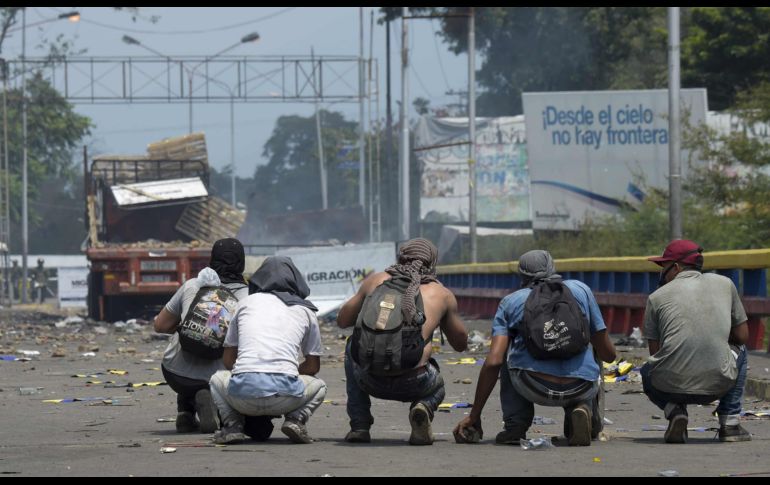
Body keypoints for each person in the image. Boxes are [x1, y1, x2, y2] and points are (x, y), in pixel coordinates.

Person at [454, 250, 616, 447]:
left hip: (533, 386)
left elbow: (493, 362)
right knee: (592, 345)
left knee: (503, 353)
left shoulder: (511, 301)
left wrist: (474, 415)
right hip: (580, 386)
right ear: (552, 268)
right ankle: (582, 410)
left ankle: (515, 426)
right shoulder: (581, 290)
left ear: (521, 275)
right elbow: (608, 355)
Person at [337, 238, 468, 445]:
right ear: (432, 263)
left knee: (352, 343)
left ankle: (359, 425)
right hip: (414, 382)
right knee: (438, 385)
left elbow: (342, 320)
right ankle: (423, 406)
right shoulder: (441, 293)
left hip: (368, 378)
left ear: (400, 258)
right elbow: (461, 345)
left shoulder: (375, 281)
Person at [642, 239, 751, 443]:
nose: (661, 272)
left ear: (675, 267)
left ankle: (675, 411)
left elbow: (655, 353)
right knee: (741, 351)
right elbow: (743, 336)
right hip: (718, 384)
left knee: (647, 370)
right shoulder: (725, 284)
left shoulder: (656, 297)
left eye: (663, 266)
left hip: (669, 387)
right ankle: (730, 423)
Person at [209, 256, 327, 445]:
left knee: (216, 379)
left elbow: (229, 361)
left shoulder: (245, 303)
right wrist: (285, 371)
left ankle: (232, 426)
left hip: (241, 396)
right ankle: (296, 420)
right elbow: (313, 367)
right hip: (286, 397)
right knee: (320, 386)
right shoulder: (305, 311)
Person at [154, 238, 248, 434]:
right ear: (242, 262)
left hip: (175, 373)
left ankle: (185, 413)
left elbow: (160, 325)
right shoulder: (249, 297)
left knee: (189, 347)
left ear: (212, 259)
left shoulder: (192, 285)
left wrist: (189, 328)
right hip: (220, 380)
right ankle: (221, 409)